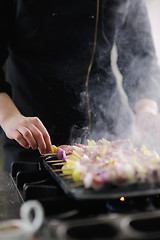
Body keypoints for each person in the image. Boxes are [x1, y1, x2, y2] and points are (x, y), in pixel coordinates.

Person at [0, 0, 160, 172]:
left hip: (112, 136)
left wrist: (146, 111)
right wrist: (9, 117)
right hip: (32, 132)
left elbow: (140, 56)